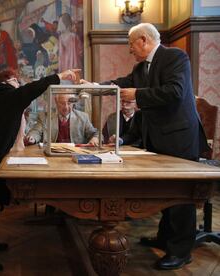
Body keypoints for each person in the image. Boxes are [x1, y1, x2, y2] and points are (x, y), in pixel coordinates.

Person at [81, 23, 209, 270]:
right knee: (165, 191)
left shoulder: (175, 56)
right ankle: (165, 237)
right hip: (159, 138)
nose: (130, 50)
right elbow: (122, 83)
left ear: (142, 39)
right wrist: (96, 87)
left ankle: (181, 251)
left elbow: (174, 91)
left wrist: (137, 95)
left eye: (130, 44)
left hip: (180, 138)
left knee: (180, 195)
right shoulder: (141, 68)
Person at [0, 69, 79, 272]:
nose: (19, 84)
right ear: (8, 81)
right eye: (16, 81)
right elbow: (33, 88)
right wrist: (61, 75)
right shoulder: (8, 96)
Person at [25, 92, 99, 146]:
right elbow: (36, 131)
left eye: (69, 103)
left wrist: (95, 138)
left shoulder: (83, 117)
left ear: (73, 103)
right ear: (56, 102)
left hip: (75, 154)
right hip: (52, 155)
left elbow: (95, 133)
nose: (66, 107)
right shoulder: (44, 116)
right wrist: (32, 138)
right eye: (62, 103)